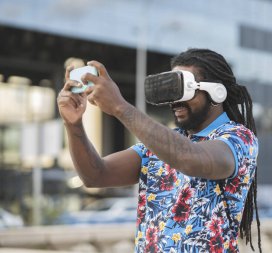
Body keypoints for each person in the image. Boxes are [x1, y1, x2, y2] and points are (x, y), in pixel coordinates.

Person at [57, 48, 261, 253]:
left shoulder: (238, 138)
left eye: (182, 90)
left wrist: (119, 106)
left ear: (216, 92)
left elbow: (189, 159)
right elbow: (96, 175)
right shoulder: (161, 144)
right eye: (170, 92)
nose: (174, 101)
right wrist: (73, 125)